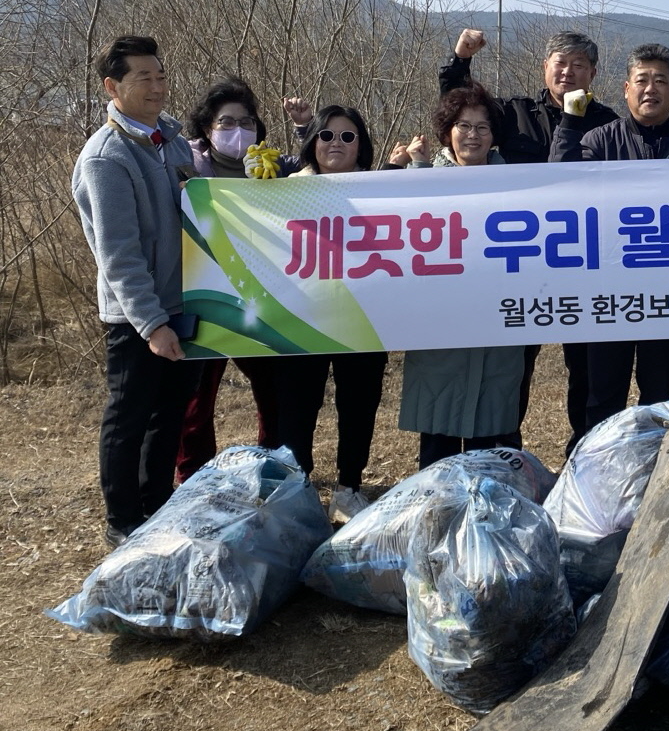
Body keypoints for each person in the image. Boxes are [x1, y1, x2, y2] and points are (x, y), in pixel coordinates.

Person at [440, 29, 621, 445]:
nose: (569, 71)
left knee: (588, 367)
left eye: (579, 64)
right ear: (546, 68)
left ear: (592, 73)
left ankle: (585, 448)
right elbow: (459, 111)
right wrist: (461, 59)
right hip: (518, 265)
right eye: (561, 62)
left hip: (582, 264)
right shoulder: (514, 114)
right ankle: (507, 451)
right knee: (514, 364)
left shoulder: (608, 124)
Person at [552, 43, 669, 444]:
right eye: (642, 80)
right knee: (603, 395)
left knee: (659, 395)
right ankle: (596, 468)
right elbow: (560, 189)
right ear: (626, 88)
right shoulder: (598, 140)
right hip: (607, 291)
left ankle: (652, 467)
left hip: (665, 293)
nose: (651, 89)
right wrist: (569, 122)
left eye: (660, 81)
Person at [72, 36, 202, 546]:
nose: (156, 86)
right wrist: (151, 324)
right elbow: (119, 254)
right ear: (113, 86)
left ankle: (157, 507)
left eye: (160, 75)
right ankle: (122, 520)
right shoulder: (107, 157)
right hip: (137, 317)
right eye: (142, 77)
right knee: (129, 416)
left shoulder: (169, 140)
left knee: (168, 415)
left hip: (180, 302)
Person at [396, 85, 526, 467]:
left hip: (498, 324)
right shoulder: (421, 176)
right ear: (447, 131)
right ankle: (440, 512)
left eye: (482, 127)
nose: (472, 135)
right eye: (463, 125)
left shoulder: (519, 184)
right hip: (439, 324)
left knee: (495, 434)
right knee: (439, 438)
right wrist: (417, 170)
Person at [274, 105, 389, 522]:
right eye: (326, 136)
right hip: (302, 318)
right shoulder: (283, 191)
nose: (335, 144)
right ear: (312, 143)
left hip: (365, 316)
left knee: (359, 405)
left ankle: (349, 488)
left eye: (347, 136)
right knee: (297, 406)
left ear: (362, 145)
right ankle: (298, 491)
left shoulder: (382, 192)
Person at [175, 78, 280, 482]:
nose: (238, 129)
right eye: (227, 121)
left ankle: (273, 467)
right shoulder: (182, 165)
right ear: (207, 128)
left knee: (273, 392)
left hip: (262, 300)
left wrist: (307, 130)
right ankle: (193, 478)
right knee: (197, 400)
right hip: (203, 299)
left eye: (246, 121)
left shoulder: (271, 168)